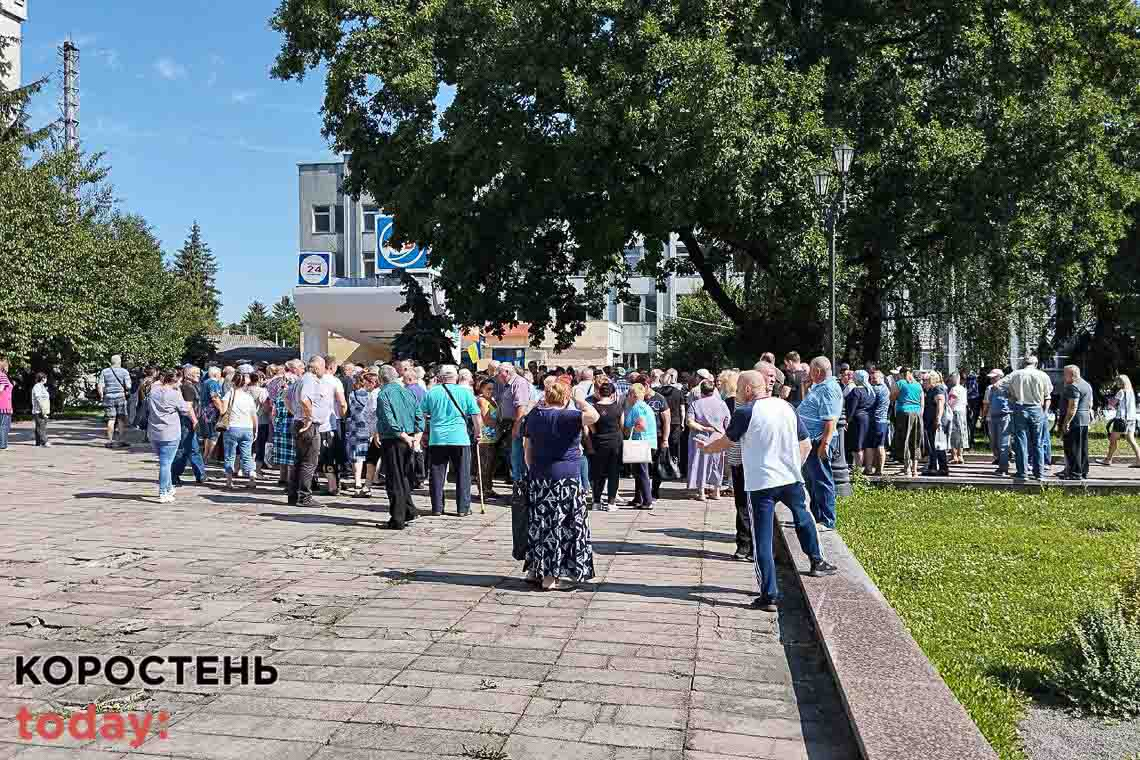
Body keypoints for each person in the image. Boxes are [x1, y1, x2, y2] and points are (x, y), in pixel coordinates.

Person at [699, 369, 836, 612]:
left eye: (739, 388)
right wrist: (795, 466)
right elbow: (804, 443)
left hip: (761, 484)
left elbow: (727, 442)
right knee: (804, 517)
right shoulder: (786, 407)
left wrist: (708, 449)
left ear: (749, 389)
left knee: (762, 538)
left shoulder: (744, 412)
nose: (736, 393)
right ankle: (817, 561)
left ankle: (769, 595)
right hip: (790, 478)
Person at [523, 382, 600, 590]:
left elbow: (527, 449)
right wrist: (580, 400)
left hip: (540, 475)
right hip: (566, 477)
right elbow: (594, 416)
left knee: (541, 525)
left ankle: (535, 570)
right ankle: (550, 577)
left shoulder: (534, 416)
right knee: (562, 525)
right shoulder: (568, 416)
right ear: (565, 398)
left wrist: (533, 470)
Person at [420, 364, 481, 516]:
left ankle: (437, 508)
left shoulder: (432, 392)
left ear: (440, 377)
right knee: (463, 474)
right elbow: (475, 415)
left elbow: (421, 415)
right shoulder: (466, 392)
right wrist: (478, 433)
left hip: (438, 438)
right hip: (460, 438)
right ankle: (463, 508)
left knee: (437, 474)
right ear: (457, 377)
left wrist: (421, 434)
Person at [376, 364, 424, 529]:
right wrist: (414, 438)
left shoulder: (384, 394)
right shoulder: (408, 392)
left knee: (394, 479)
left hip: (394, 439)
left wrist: (403, 435)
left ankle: (397, 519)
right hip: (408, 438)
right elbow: (419, 416)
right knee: (403, 476)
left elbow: (389, 420)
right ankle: (409, 511)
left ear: (380, 379)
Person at [799, 357, 844, 529]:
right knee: (812, 480)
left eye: (811, 370)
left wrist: (824, 444)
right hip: (812, 441)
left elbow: (830, 420)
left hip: (819, 441)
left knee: (822, 479)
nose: (809, 373)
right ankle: (816, 516)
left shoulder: (829, 389)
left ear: (817, 371)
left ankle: (827, 520)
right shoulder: (820, 387)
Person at [147, 369, 197, 503]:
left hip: (154, 431)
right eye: (179, 381)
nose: (180, 384)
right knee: (165, 464)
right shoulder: (174, 394)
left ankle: (169, 487)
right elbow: (185, 410)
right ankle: (163, 491)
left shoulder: (153, 391)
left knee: (164, 462)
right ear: (175, 381)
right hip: (170, 432)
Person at [999, 356, 1053, 481]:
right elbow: (1048, 393)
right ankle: (1039, 473)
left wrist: (1010, 396)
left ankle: (1022, 473)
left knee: (1020, 441)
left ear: (1023, 363)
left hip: (1020, 408)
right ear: (1036, 363)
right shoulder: (1042, 375)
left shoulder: (1016, 374)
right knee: (1038, 442)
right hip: (1036, 408)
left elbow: (998, 385)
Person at [287, 356, 331, 507]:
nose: (324, 371)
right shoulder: (309, 380)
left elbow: (286, 397)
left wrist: (296, 413)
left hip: (299, 422)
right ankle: (304, 497)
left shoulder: (300, 380)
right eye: (324, 367)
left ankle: (293, 495)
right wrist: (309, 417)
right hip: (308, 425)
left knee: (299, 461)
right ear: (317, 367)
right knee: (309, 462)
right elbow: (305, 399)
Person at [686, 380, 730, 501]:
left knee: (700, 463)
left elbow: (689, 422)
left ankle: (701, 492)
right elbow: (728, 423)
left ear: (701, 390)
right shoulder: (722, 404)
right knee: (717, 464)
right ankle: (716, 491)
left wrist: (703, 427)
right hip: (718, 437)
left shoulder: (695, 404)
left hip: (700, 437)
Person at [496, 363, 533, 501]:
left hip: (517, 424)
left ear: (506, 372)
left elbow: (521, 408)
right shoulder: (509, 384)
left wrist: (516, 428)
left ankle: (520, 492)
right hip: (510, 424)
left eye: (499, 373)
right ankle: (518, 490)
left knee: (517, 459)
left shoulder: (519, 383)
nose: (498, 376)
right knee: (513, 458)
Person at [586, 380, 623, 510]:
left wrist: (597, 432)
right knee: (613, 472)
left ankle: (596, 502)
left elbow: (591, 427)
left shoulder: (593, 407)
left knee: (598, 473)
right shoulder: (618, 407)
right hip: (615, 442)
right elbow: (621, 425)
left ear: (598, 393)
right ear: (612, 393)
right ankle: (611, 503)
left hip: (599, 442)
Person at [221, 371, 259, 490]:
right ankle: (252, 478)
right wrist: (255, 429)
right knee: (247, 455)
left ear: (233, 382)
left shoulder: (229, 395)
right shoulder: (248, 397)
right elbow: (254, 415)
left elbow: (223, 410)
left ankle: (229, 481)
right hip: (247, 428)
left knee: (230, 455)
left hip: (232, 427)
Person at [624, 383, 659, 509]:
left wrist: (632, 428)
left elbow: (642, 425)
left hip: (640, 442)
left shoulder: (637, 408)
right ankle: (638, 498)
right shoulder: (646, 406)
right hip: (650, 442)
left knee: (642, 472)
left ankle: (647, 501)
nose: (627, 396)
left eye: (629, 394)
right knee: (638, 472)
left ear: (633, 395)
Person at [171, 366, 207, 487]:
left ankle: (201, 475)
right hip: (187, 422)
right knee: (184, 450)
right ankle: (174, 475)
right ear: (188, 375)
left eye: (199, 372)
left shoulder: (190, 386)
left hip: (188, 422)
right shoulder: (188, 387)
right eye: (196, 373)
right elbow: (188, 407)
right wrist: (195, 421)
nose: (199, 375)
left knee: (193, 449)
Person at [347, 371, 380, 497]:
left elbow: (350, 409)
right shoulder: (374, 394)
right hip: (373, 429)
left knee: (358, 456)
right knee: (374, 456)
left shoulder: (353, 394)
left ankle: (357, 482)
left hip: (357, 426)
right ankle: (374, 479)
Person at [1059, 365, 1093, 480]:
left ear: (1071, 375)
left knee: (1073, 448)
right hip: (1084, 420)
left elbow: (1073, 406)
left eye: (1065, 374)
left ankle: (1075, 473)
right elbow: (1090, 404)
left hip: (1075, 420)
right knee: (1083, 447)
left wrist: (1066, 422)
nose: (1063, 376)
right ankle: (1084, 471)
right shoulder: (1086, 385)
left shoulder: (1073, 386)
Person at [269, 363, 300, 488]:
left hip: (280, 424)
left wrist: (275, 423)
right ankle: (289, 478)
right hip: (290, 423)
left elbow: (273, 411)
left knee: (282, 453)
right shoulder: (293, 395)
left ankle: (282, 477)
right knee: (291, 453)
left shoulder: (280, 393)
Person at [891, 367, 923, 478]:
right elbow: (921, 401)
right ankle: (915, 470)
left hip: (903, 413)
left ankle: (907, 468)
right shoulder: (918, 385)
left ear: (903, 374)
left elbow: (892, 397)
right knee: (915, 441)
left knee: (905, 440)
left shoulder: (900, 383)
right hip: (917, 413)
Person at [1102, 374, 1140, 467]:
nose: (1116, 383)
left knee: (1113, 439)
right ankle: (1139, 460)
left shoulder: (1121, 392)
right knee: (1131, 440)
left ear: (1121, 382)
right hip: (1131, 419)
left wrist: (1108, 399)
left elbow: (1112, 404)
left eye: (1117, 382)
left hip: (1121, 420)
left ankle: (1108, 460)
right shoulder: (1131, 391)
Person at [643, 380, 671, 501]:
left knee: (657, 466)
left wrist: (665, 439)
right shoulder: (639, 399)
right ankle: (643, 494)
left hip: (657, 436)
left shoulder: (660, 399)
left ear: (647, 386)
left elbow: (666, 421)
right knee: (643, 467)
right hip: (643, 438)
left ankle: (654, 492)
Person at [98, 355, 133, 449]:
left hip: (108, 397)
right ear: (120, 362)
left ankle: (110, 441)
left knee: (111, 419)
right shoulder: (124, 372)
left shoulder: (104, 371)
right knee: (121, 419)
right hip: (120, 397)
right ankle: (121, 440)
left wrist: (101, 395)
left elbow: (100, 385)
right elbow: (128, 386)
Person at [474, 379, 501, 500]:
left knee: (491, 465)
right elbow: (486, 419)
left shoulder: (492, 400)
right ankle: (482, 490)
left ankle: (488, 488)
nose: (491, 391)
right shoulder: (482, 400)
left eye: (493, 389)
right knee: (484, 465)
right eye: (488, 389)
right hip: (485, 437)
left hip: (493, 436)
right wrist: (499, 423)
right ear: (482, 389)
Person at [844, 370, 874, 473]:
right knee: (865, 444)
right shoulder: (870, 391)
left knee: (858, 445)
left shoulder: (856, 391)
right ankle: (866, 467)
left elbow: (852, 408)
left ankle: (857, 470)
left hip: (857, 420)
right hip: (867, 418)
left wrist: (847, 420)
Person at [921, 371, 950, 476]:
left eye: (925, 380)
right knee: (932, 444)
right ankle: (933, 466)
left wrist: (938, 419)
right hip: (930, 421)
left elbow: (940, 404)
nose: (923, 382)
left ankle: (942, 468)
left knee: (938, 444)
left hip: (937, 422)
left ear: (932, 380)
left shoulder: (938, 389)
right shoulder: (930, 390)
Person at [200, 367, 225, 464]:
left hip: (205, 412)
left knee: (208, 436)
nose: (220, 376)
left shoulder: (205, 382)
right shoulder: (213, 383)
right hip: (212, 413)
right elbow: (214, 398)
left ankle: (205, 457)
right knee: (213, 435)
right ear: (216, 374)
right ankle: (207, 457)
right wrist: (222, 410)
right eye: (220, 374)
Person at [249, 372, 271, 479]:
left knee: (248, 446)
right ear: (260, 380)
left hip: (246, 421)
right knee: (260, 446)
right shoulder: (262, 391)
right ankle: (257, 470)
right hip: (261, 421)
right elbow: (266, 407)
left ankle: (244, 468)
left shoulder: (245, 390)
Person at [868, 370, 890, 475]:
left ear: (881, 378)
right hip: (883, 420)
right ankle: (879, 469)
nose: (872, 379)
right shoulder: (886, 388)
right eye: (871, 378)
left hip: (876, 420)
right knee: (880, 445)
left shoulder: (875, 389)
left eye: (874, 378)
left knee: (877, 446)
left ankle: (878, 469)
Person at [946, 373, 970, 465]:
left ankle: (954, 456)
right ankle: (960, 456)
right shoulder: (963, 389)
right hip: (962, 412)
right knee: (962, 434)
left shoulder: (954, 389)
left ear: (954, 379)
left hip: (955, 412)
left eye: (951, 378)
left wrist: (946, 405)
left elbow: (951, 402)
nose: (950, 380)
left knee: (953, 434)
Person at [30, 372, 51, 447]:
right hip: (39, 410)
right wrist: (43, 410)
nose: (46, 379)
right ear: (42, 378)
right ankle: (44, 441)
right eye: (45, 378)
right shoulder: (37, 386)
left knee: (39, 426)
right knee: (41, 426)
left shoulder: (41, 386)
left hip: (42, 410)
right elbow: (39, 398)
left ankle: (38, 442)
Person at [0, 358, 11, 450]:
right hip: (4, 405)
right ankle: (2, 444)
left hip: (4, 404)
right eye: (7, 365)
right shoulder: (2, 376)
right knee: (4, 425)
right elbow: (1, 389)